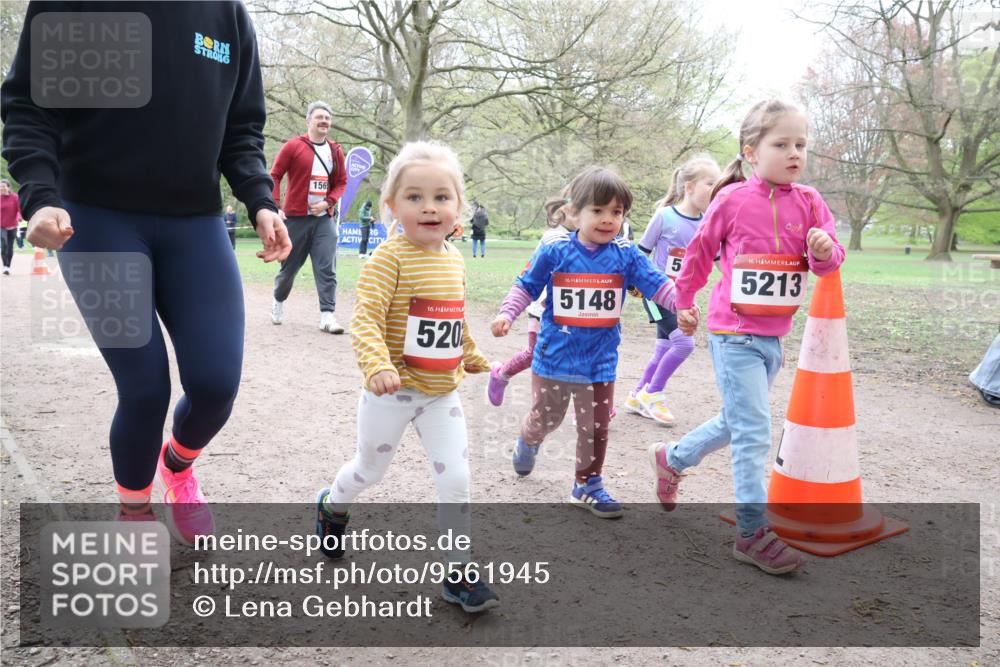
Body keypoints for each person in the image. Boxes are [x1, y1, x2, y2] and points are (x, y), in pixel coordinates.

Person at [1, 1, 291, 538]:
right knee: (144, 388)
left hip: (195, 223)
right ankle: (134, 514)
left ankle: (177, 468)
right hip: (96, 219)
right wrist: (39, 195)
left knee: (214, 384)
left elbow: (242, 128)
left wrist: (260, 199)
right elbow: (30, 107)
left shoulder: (226, 14)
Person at [648, 100, 844, 575]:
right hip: (732, 333)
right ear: (752, 152)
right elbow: (698, 253)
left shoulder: (811, 201)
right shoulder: (731, 200)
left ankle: (672, 458)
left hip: (773, 339)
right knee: (755, 429)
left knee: (738, 421)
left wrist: (822, 250)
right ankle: (752, 533)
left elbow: (831, 261)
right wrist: (685, 302)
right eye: (781, 144)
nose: (794, 152)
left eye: (801, 144)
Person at [314, 141, 499, 613]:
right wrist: (377, 365)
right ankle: (333, 505)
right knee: (368, 471)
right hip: (391, 392)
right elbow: (367, 319)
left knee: (457, 479)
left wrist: (473, 356)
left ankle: (457, 574)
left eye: (442, 196)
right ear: (393, 206)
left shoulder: (455, 259)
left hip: (440, 395)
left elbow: (451, 321)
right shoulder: (388, 259)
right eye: (415, 197)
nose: (430, 207)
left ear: (459, 207)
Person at [491, 166, 688, 519]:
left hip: (600, 362)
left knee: (595, 427)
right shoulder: (555, 250)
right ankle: (529, 439)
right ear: (574, 212)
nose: (608, 219)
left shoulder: (626, 255)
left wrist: (682, 305)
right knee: (546, 417)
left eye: (616, 212)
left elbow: (659, 284)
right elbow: (526, 285)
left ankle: (587, 483)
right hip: (554, 358)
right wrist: (507, 314)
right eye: (598, 210)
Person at [624, 156, 720, 424]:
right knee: (684, 343)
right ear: (689, 187)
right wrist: (635, 285)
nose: (716, 189)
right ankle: (653, 394)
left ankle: (636, 395)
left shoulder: (708, 223)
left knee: (664, 346)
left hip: (684, 298)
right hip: (654, 294)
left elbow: (719, 260)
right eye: (710, 183)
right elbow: (640, 253)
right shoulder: (664, 217)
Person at [485, 187, 578, 406]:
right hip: (542, 308)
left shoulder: (591, 242)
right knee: (534, 354)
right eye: (578, 208)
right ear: (564, 207)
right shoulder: (552, 239)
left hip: (572, 313)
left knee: (577, 354)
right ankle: (500, 373)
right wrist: (508, 313)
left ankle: (582, 406)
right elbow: (533, 277)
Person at [269, 101, 347, 333]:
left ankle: (327, 316)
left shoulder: (335, 150)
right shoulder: (293, 147)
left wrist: (328, 202)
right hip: (295, 219)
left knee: (326, 267)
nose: (324, 121)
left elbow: (342, 182)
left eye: (328, 118)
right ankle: (278, 300)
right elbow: (274, 176)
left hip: (324, 219)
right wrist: (275, 206)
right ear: (308, 121)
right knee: (289, 269)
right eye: (320, 117)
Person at [0, 178, 20, 275]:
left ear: (8, 187)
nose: (1, 188)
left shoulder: (15, 197)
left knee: (10, 247)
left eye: (3, 186)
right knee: (4, 245)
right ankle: (4, 266)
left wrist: (19, 217)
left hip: (13, 225)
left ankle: (8, 266)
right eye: (0, 187)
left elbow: (19, 210)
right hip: (1, 225)